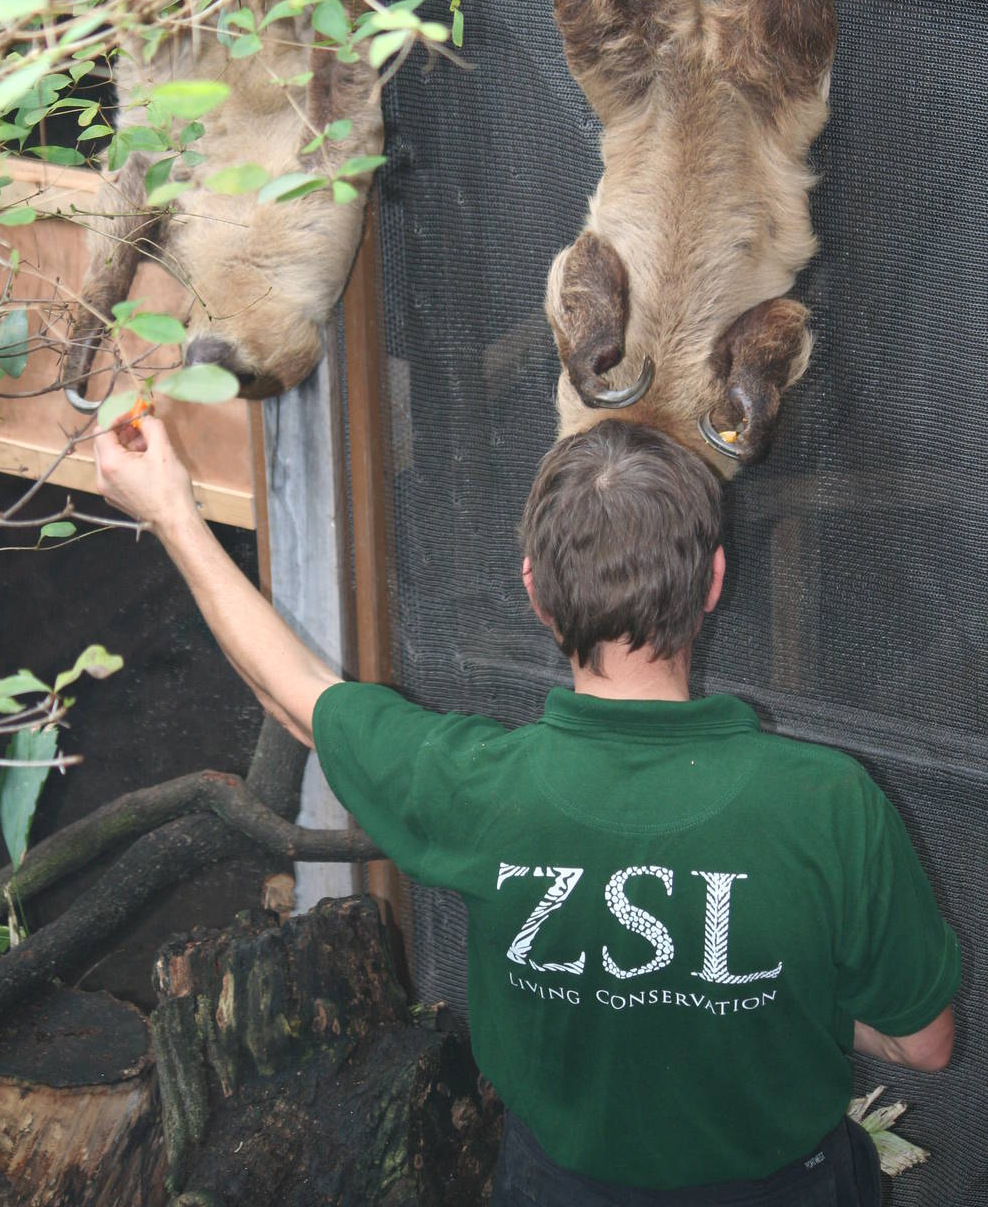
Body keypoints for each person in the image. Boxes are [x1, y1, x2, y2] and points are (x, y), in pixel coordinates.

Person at [94, 413, 959, 1207]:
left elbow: (300, 697)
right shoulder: (830, 803)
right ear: (713, 583)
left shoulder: (475, 786)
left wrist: (171, 512)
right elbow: (923, 1044)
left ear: (536, 595)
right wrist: (781, 997)